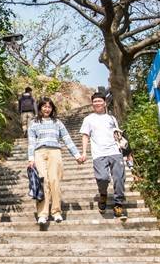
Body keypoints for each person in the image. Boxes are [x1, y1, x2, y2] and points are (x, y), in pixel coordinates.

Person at [27, 97, 83, 225]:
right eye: (44, 106)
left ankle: (56, 212)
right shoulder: (34, 123)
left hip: (55, 152)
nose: (47, 109)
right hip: (39, 153)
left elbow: (67, 139)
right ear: (40, 107)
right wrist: (31, 158)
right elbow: (31, 142)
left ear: (52, 109)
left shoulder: (57, 122)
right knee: (43, 182)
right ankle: (42, 214)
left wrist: (77, 155)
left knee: (54, 182)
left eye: (49, 107)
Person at [79, 92, 128, 219]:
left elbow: (118, 135)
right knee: (102, 178)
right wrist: (84, 152)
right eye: (95, 101)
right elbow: (85, 135)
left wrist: (127, 153)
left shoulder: (111, 118)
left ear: (104, 103)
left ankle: (118, 204)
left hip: (115, 152)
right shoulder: (88, 119)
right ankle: (103, 194)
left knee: (119, 178)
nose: (97, 103)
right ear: (92, 104)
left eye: (99, 101)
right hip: (99, 153)